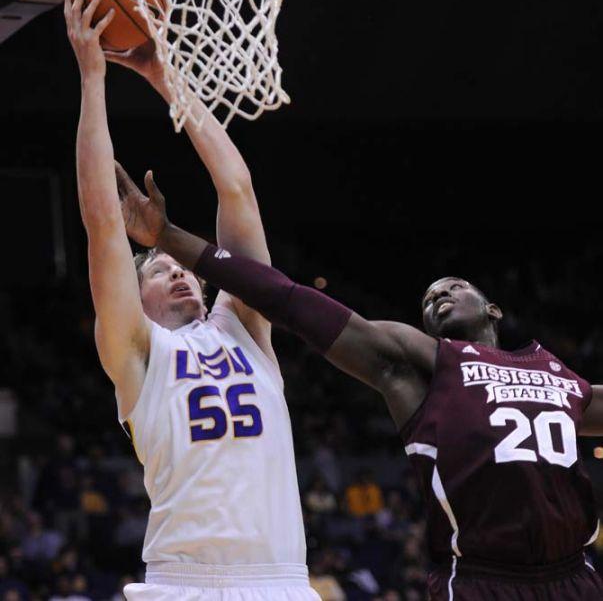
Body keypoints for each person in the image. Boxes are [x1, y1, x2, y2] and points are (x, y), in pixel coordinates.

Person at [114, 163, 603, 600]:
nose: (439, 295)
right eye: (430, 296)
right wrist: (171, 235)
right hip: (484, 577)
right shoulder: (426, 366)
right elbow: (288, 300)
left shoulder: (553, 370)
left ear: (493, 308)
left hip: (575, 571)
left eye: (454, 286)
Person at [64, 0, 319, 600]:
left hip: (279, 583)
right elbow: (103, 225)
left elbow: (238, 190)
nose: (179, 271)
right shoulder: (136, 353)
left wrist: (164, 73)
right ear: (138, 293)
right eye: (157, 270)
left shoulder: (245, 327)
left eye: (184, 269)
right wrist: (93, 76)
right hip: (184, 584)